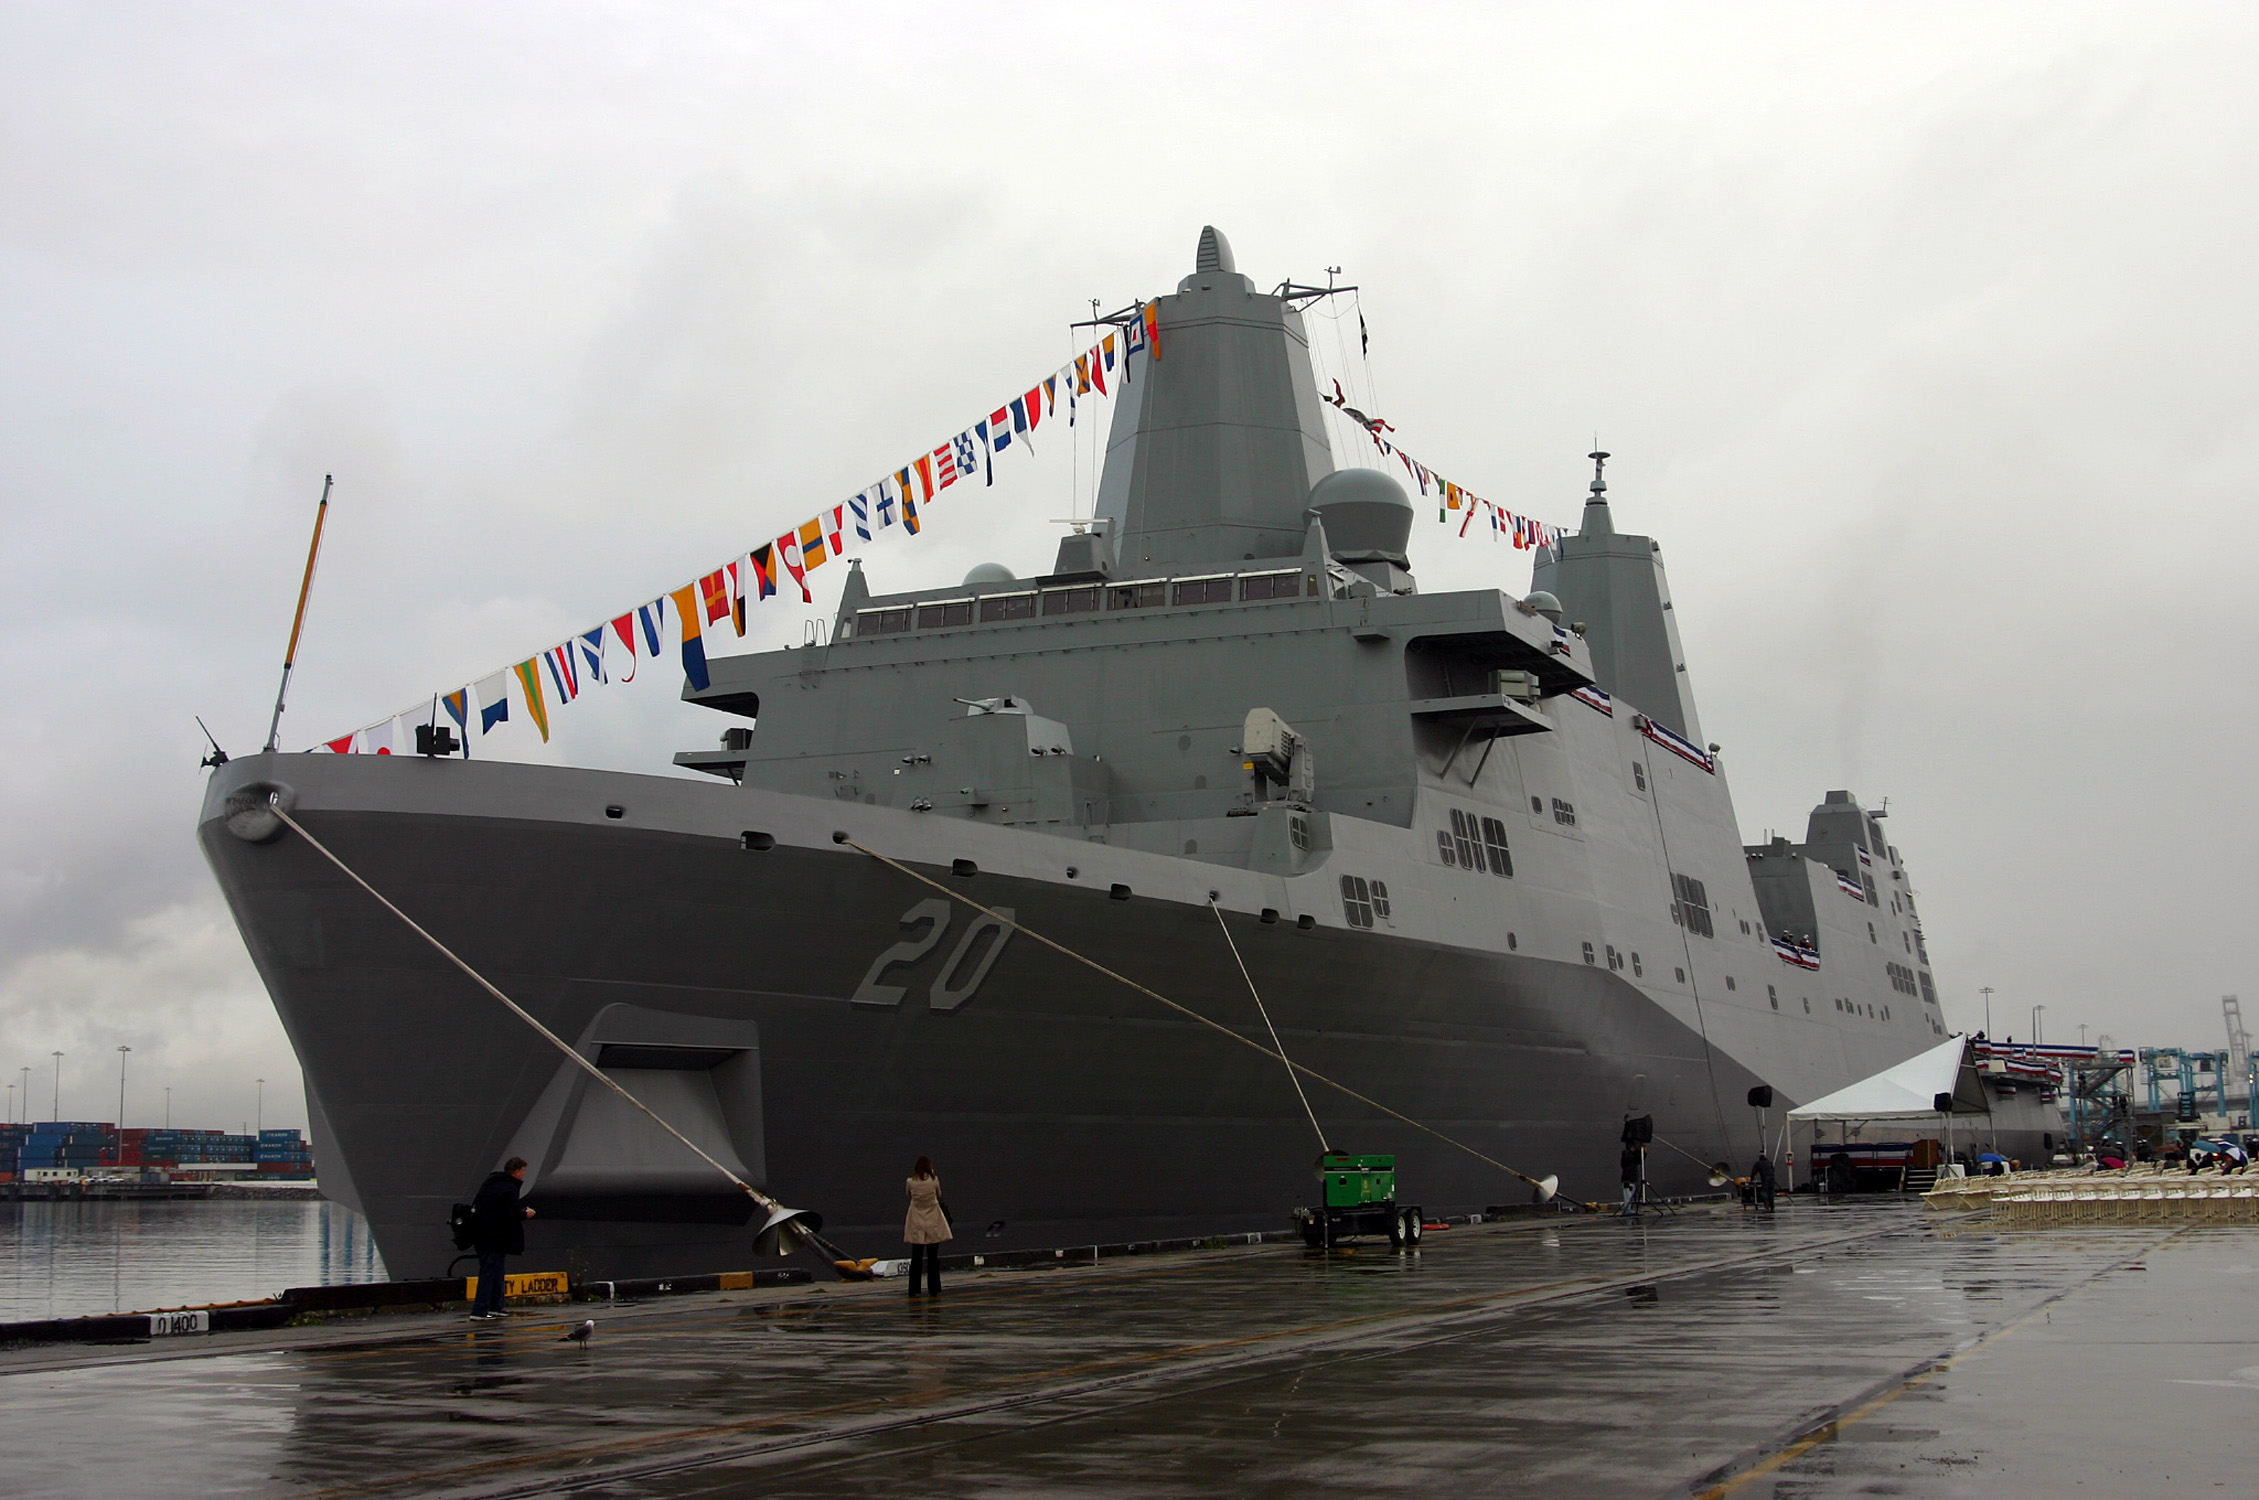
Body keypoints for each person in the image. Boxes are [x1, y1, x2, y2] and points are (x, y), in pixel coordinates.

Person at [468, 1157, 535, 1321]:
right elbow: (510, 1213)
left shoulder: (492, 1184)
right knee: (490, 1272)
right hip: (494, 1236)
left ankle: (495, 1306)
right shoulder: (508, 1188)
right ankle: (479, 1310)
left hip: (482, 1234)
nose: (524, 1175)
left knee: (496, 1271)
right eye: (523, 1171)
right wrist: (525, 1214)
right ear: (516, 1171)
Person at [904, 1155, 950, 1296]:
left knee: (916, 1256)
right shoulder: (934, 1180)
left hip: (917, 1220)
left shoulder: (910, 1182)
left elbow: (908, 1195)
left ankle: (914, 1289)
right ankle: (934, 1288)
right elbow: (939, 1194)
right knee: (932, 1256)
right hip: (932, 1220)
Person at [1618, 1144, 1642, 1218]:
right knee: (1628, 1194)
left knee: (1630, 1195)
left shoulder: (1633, 1157)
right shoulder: (1627, 1155)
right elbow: (1627, 1162)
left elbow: (1639, 1161)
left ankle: (1628, 1208)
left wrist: (1643, 1153)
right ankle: (1627, 1209)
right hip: (1627, 1179)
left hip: (1632, 1179)